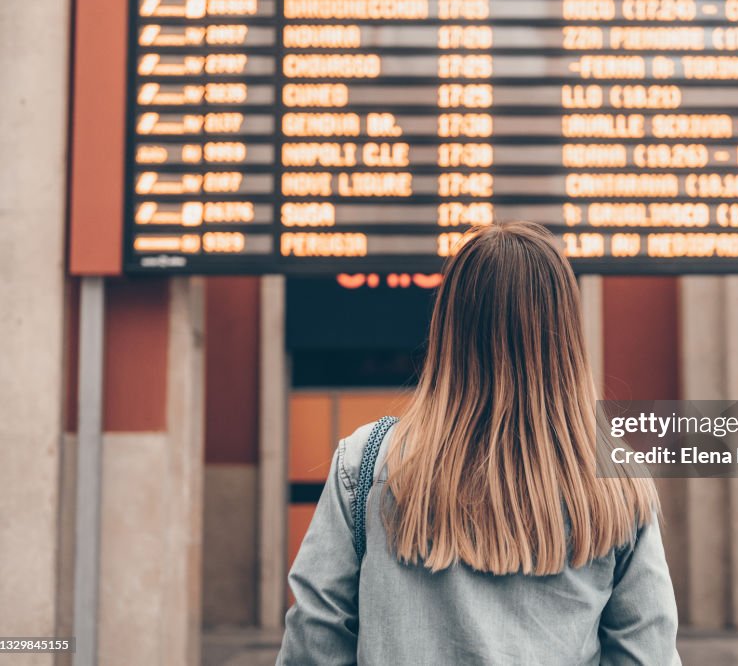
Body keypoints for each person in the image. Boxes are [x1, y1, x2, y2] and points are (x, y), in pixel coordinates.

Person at [277, 222, 681, 665]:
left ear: (448, 324)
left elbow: (313, 642)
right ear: (566, 332)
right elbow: (648, 653)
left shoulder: (367, 462)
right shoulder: (616, 481)